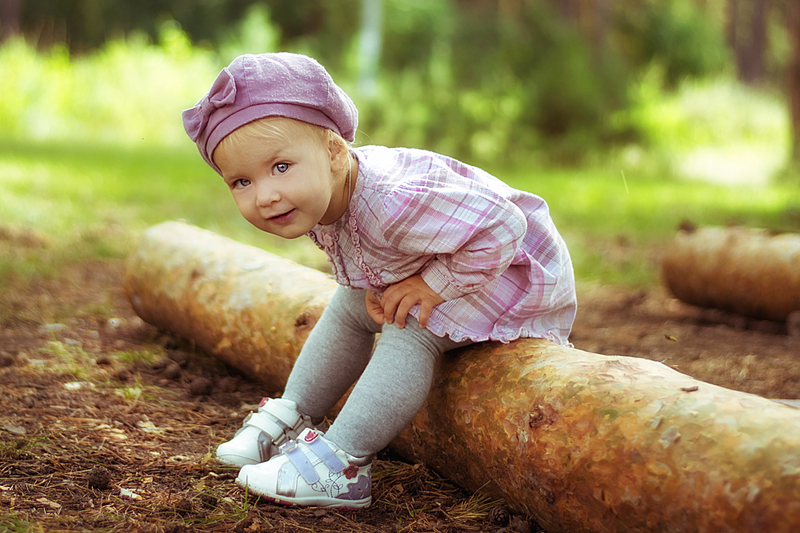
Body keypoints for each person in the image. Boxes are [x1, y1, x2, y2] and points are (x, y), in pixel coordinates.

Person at [182, 52, 576, 509]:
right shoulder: (323, 195)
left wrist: (432, 287)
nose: (265, 195)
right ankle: (295, 414)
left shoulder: (390, 202)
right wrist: (378, 282)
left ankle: (344, 464)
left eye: (281, 167)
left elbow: (505, 226)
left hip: (513, 272)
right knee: (349, 306)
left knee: (409, 325)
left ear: (334, 152)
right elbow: (380, 249)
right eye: (241, 182)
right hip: (453, 256)